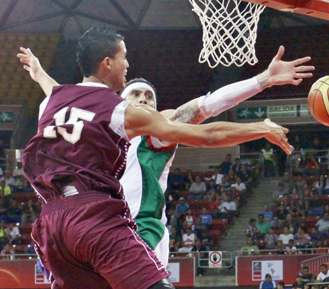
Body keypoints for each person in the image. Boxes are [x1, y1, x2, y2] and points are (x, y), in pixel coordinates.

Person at [19, 27, 298, 289]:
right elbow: (208, 136)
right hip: (99, 223)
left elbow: (206, 106)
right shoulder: (119, 112)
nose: (142, 99)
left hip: (60, 225)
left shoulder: (57, 103)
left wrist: (39, 73)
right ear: (108, 66)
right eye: (124, 59)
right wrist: (259, 127)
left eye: (149, 96)